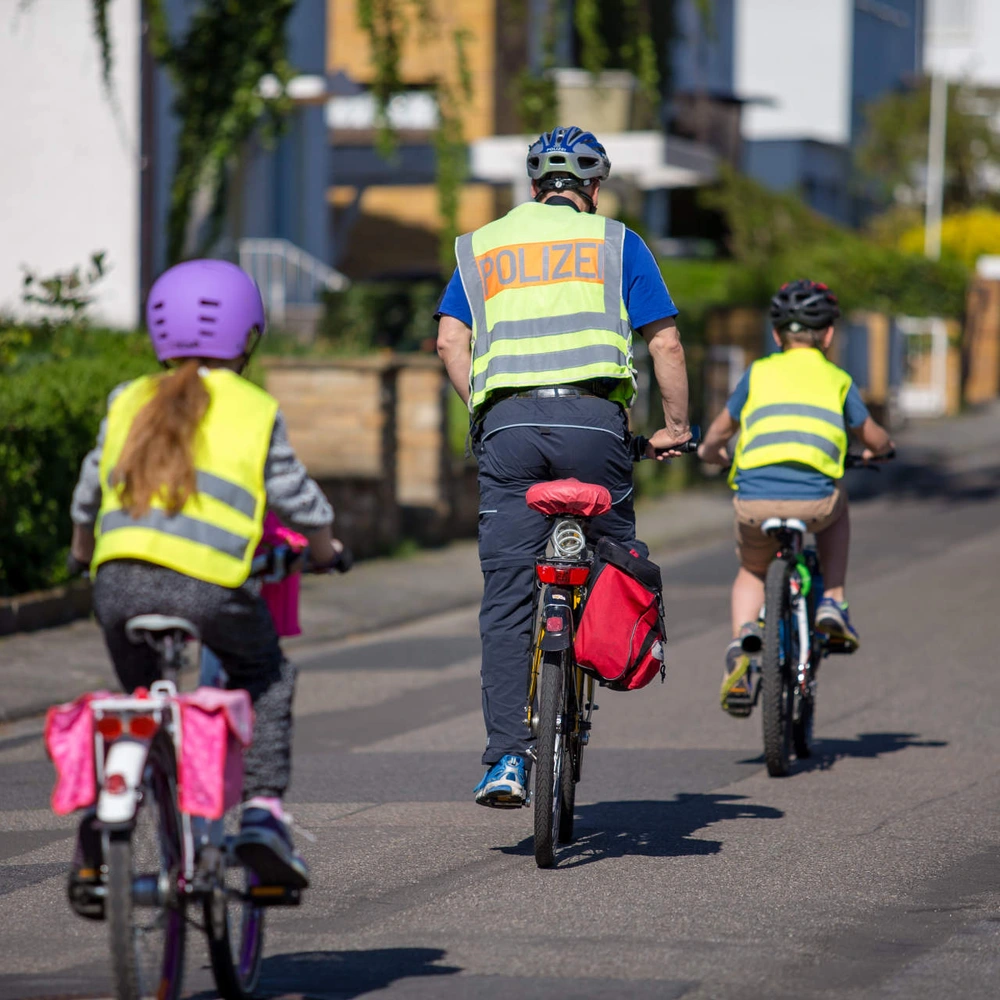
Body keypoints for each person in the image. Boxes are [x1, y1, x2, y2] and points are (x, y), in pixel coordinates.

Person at [435, 126, 691, 806]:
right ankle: (604, 654)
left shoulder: (482, 245)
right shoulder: (617, 243)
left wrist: (485, 407)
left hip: (509, 429)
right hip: (594, 425)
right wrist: (675, 428)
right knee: (615, 555)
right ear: (594, 188)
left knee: (507, 597)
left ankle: (505, 761)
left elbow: (448, 340)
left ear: (531, 187)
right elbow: (663, 342)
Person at [68, 259, 342, 891]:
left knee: (139, 701)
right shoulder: (251, 408)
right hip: (211, 586)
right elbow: (297, 499)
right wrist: (327, 548)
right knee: (266, 677)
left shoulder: (127, 398)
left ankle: (100, 825)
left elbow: (89, 493)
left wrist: (83, 553)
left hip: (117, 585)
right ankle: (263, 815)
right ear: (248, 334)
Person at [697, 280, 894, 717]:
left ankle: (741, 642)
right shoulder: (838, 378)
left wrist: (711, 454)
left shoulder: (758, 373)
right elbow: (870, 435)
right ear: (828, 335)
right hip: (814, 500)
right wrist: (882, 449)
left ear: (775, 335)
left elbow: (719, 431)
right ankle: (833, 601)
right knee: (838, 507)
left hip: (755, 500)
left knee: (752, 569)